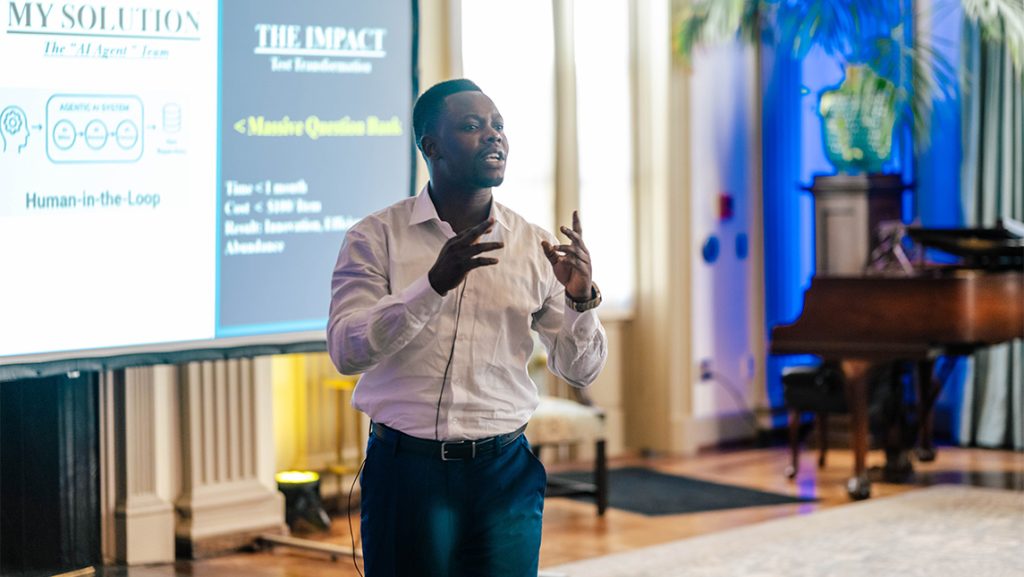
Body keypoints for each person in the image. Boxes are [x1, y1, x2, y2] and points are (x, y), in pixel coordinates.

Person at [327, 78, 608, 576]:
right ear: (431, 146)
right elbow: (348, 351)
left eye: (498, 125)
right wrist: (431, 285)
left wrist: (582, 299)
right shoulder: (375, 238)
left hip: (505, 472)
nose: (493, 136)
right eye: (472, 126)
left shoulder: (534, 246)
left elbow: (580, 370)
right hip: (407, 470)